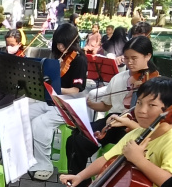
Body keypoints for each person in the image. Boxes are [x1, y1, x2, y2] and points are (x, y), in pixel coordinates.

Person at [60, 76, 172, 187]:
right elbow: (107, 159)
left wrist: (139, 160)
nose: (141, 110)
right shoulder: (137, 133)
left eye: (151, 105)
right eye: (139, 103)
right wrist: (80, 176)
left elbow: (171, 183)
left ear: (171, 110)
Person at [65, 36, 157, 173]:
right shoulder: (119, 77)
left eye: (134, 58)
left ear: (148, 56)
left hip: (138, 125)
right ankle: (80, 184)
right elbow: (106, 106)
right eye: (126, 58)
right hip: (114, 120)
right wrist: (91, 105)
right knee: (75, 139)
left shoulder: (155, 81)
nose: (129, 62)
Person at [26, 24, 87, 181]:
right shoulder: (61, 58)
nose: (60, 47)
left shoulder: (79, 60)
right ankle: (28, 155)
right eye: (58, 43)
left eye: (63, 44)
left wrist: (56, 89)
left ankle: (45, 164)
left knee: (41, 123)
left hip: (70, 104)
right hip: (53, 100)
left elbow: (76, 90)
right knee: (24, 112)